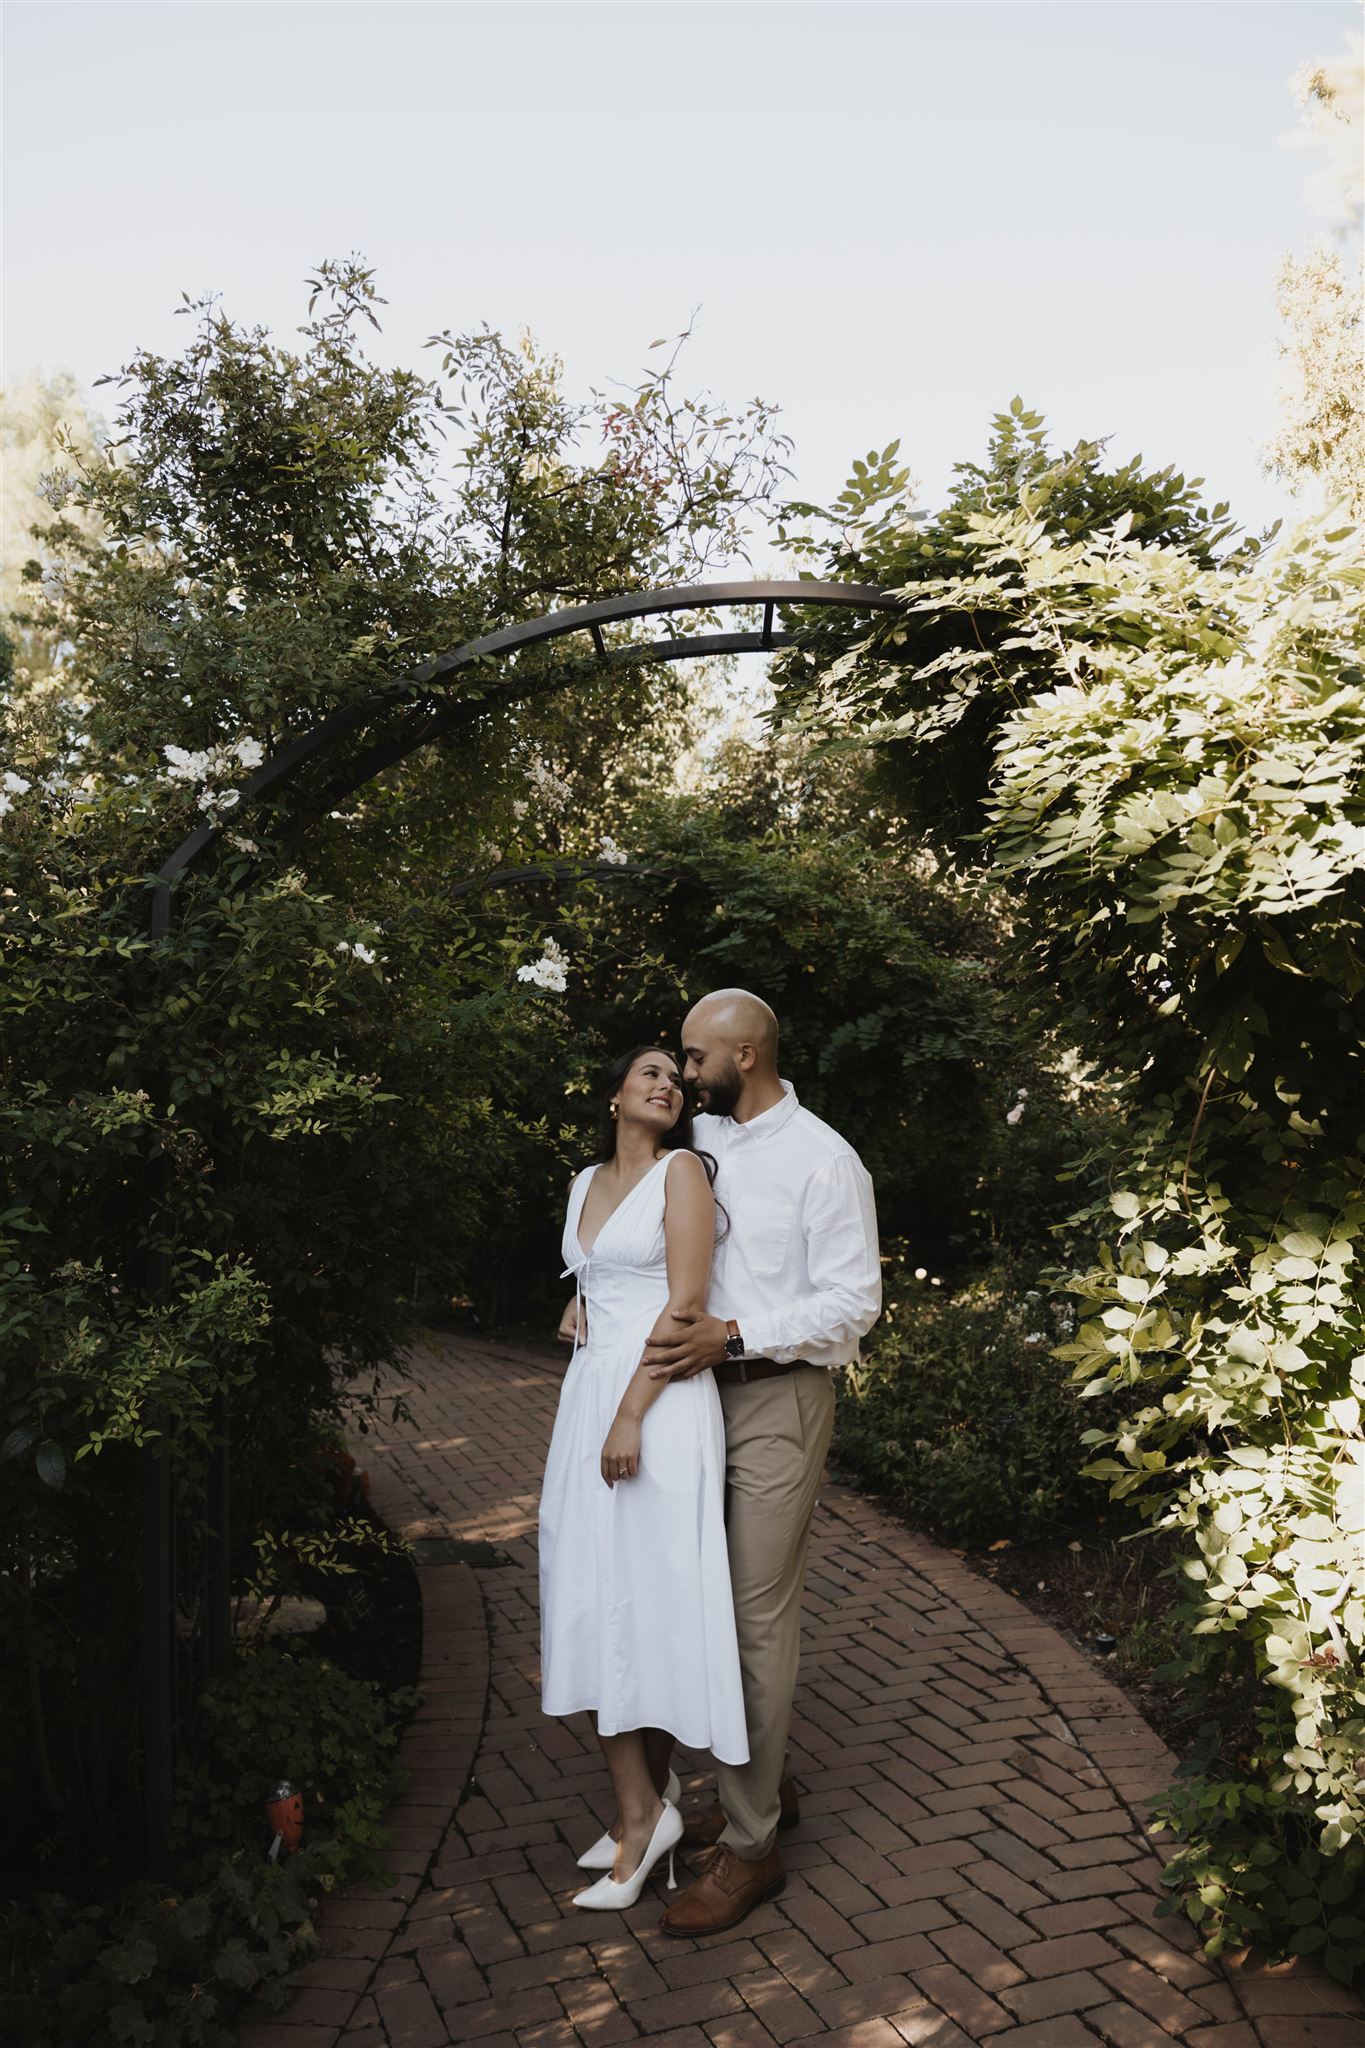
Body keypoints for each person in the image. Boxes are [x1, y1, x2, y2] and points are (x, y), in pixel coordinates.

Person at [642, 988, 881, 1936]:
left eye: (695, 1056)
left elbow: (852, 1303)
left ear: (742, 1055)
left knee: (751, 1618)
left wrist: (734, 1334)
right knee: (697, 1601)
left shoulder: (824, 1160)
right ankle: (766, 1779)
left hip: (777, 1400)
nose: (683, 1070)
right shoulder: (698, 1147)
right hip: (689, 1404)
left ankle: (751, 1849)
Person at [538, 1044, 749, 1911]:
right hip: (588, 1394)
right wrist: (582, 1293)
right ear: (614, 1096)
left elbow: (684, 1302)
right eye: (648, 1073)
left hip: (654, 1401)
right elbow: (601, 1270)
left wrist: (630, 1412)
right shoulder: (583, 1179)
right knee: (586, 1590)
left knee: (636, 1600)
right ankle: (644, 1810)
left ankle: (638, 1819)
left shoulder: (683, 1174)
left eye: (674, 1076)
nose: (665, 1084)